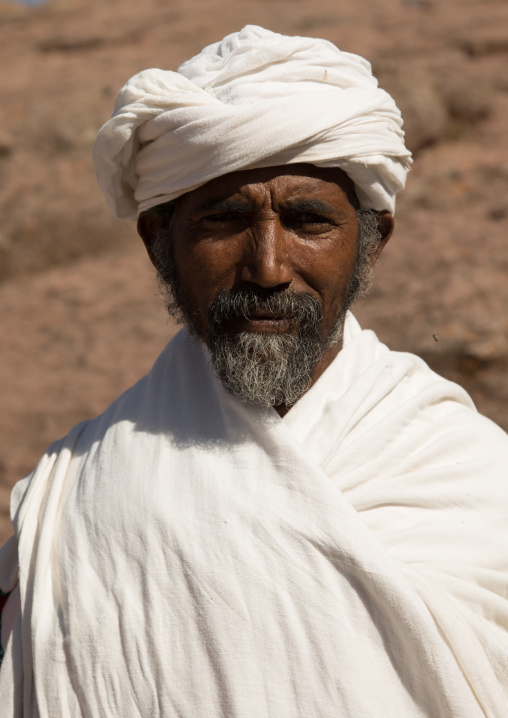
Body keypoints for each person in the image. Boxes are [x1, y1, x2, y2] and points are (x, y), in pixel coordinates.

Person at [1, 24, 507, 718]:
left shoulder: (472, 479)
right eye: (225, 221)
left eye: (307, 220)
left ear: (373, 241)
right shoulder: (75, 502)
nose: (267, 267)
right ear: (159, 242)